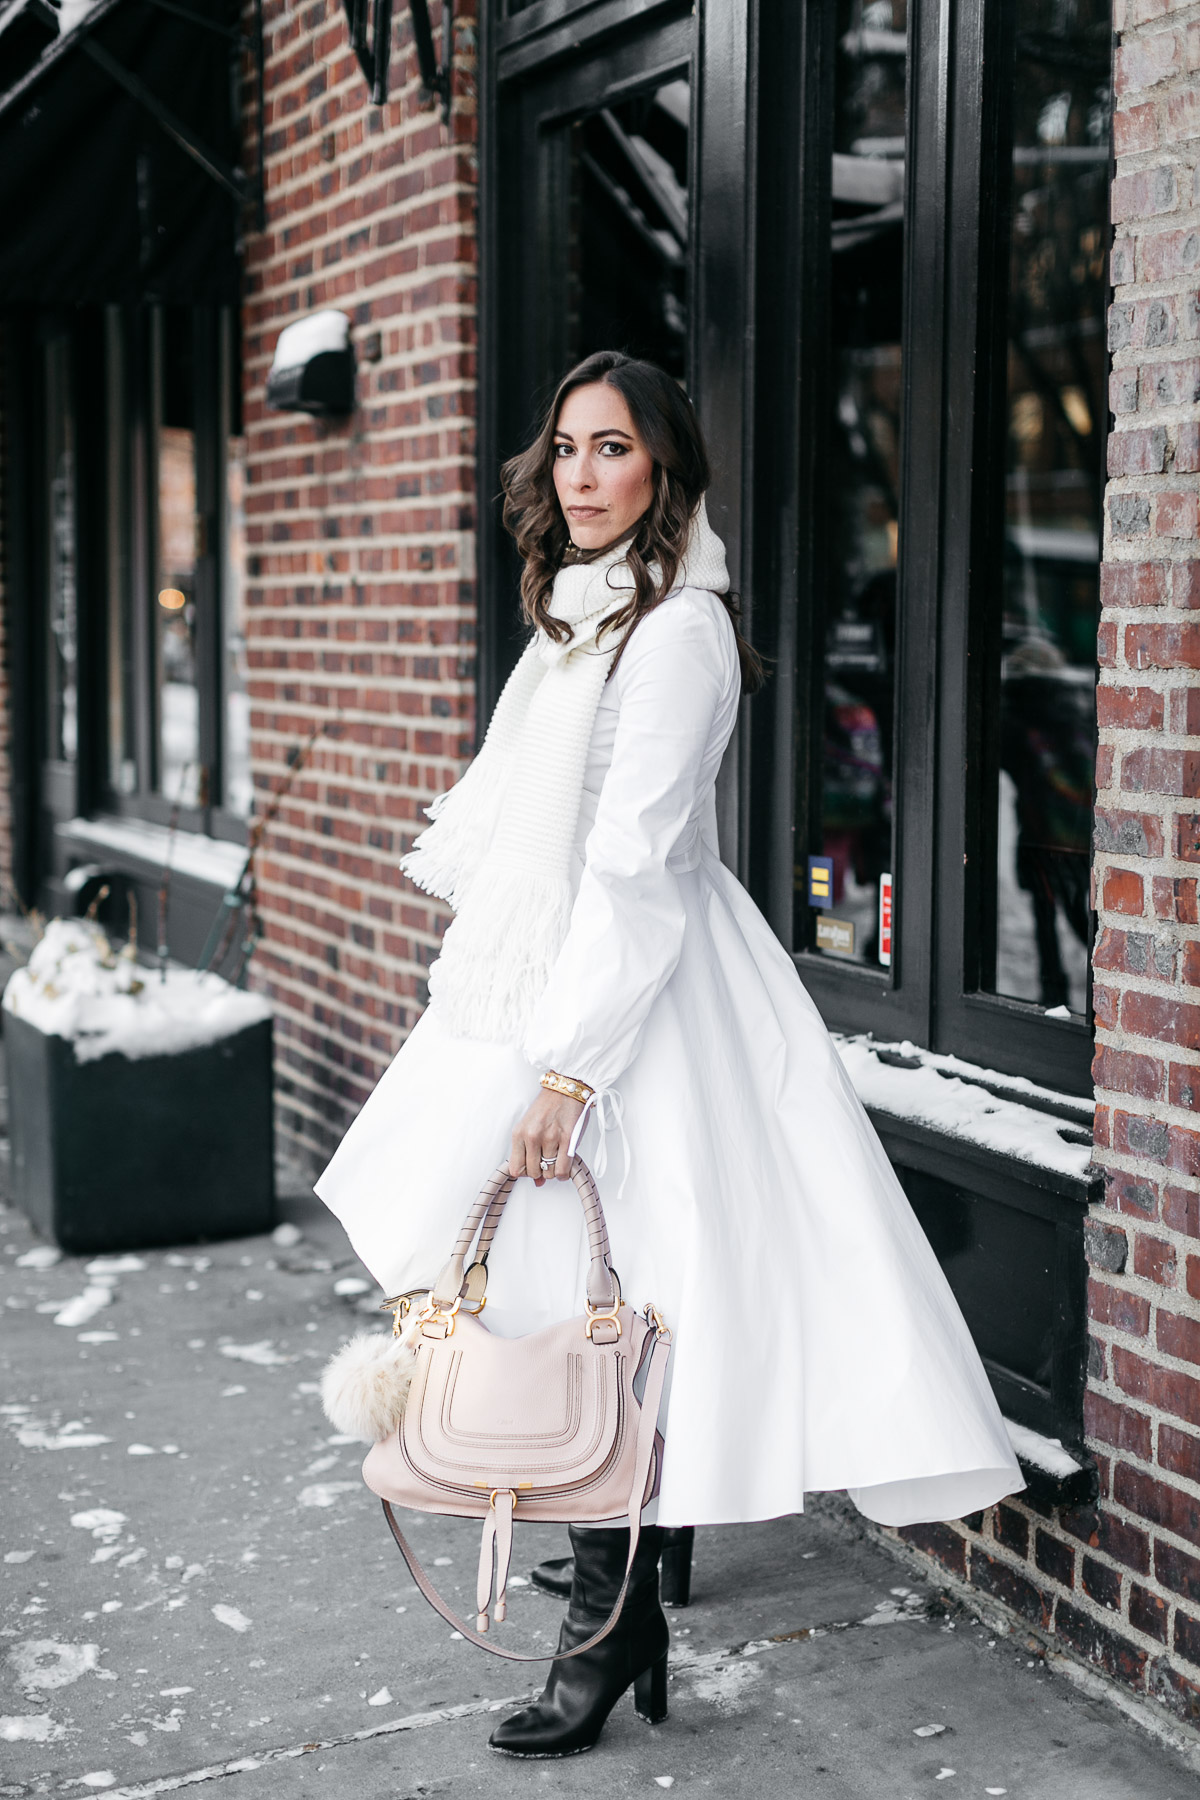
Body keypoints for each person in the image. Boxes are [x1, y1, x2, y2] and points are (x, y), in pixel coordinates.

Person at [314, 349, 1023, 1758]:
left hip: (638, 999)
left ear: (667, 472)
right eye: (566, 448)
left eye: (613, 450)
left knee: (615, 1295)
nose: (581, 476)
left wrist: (569, 1066)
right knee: (573, 1288)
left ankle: (607, 1617)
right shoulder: (577, 616)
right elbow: (538, 831)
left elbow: (635, 866)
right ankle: (628, 1573)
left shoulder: (679, 630)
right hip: (550, 979)